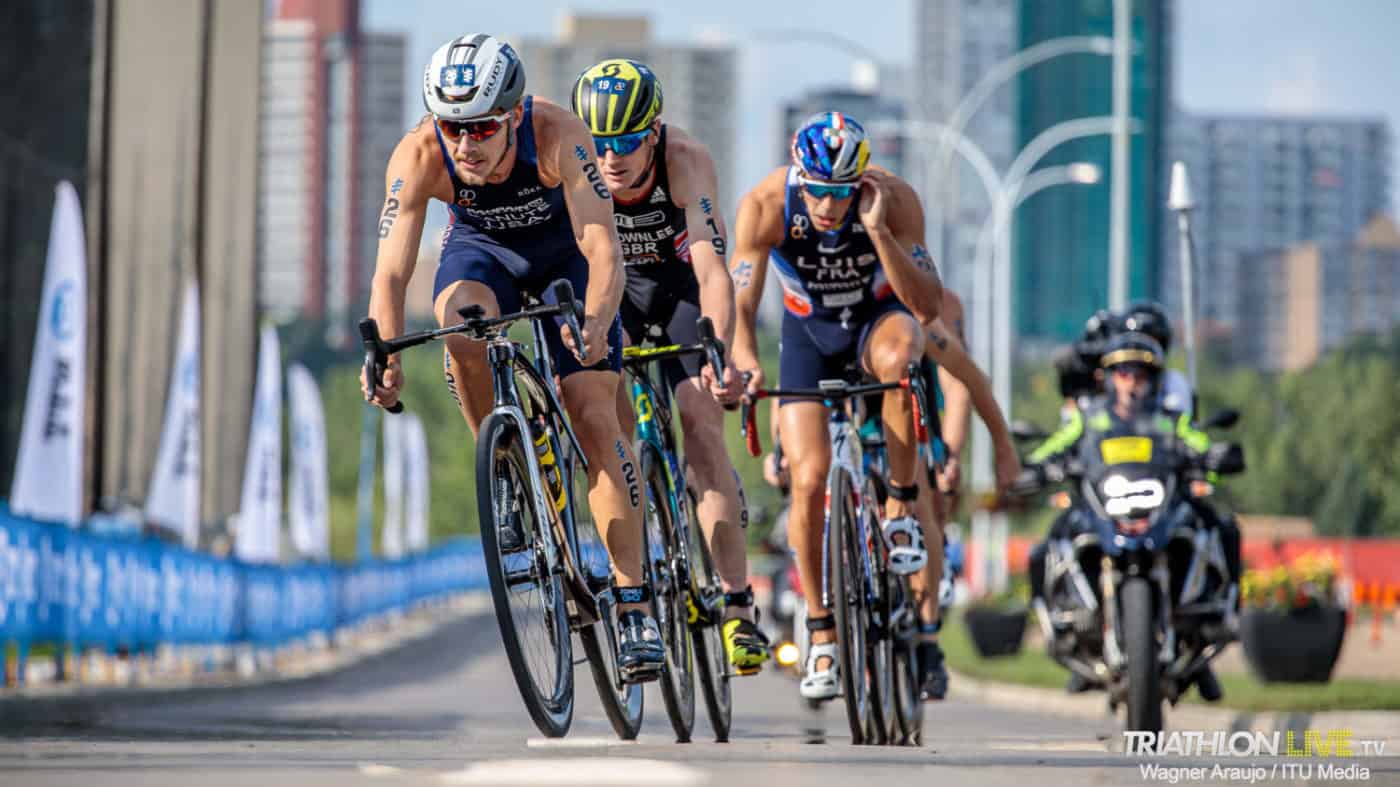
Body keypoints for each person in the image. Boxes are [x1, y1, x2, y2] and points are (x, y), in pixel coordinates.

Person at [360, 34, 663, 681]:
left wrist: (598, 320)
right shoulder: (419, 153)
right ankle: (502, 464)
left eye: (483, 128)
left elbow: (603, 248)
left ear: (517, 114)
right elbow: (389, 275)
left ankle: (632, 597)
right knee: (459, 329)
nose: (466, 144)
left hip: (566, 258)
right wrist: (384, 352)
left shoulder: (559, 134)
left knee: (591, 409)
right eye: (454, 128)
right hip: (482, 255)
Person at [730, 110, 945, 701]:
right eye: (818, 193)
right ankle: (822, 632)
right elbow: (741, 305)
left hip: (878, 323)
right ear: (800, 178)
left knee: (905, 360)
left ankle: (900, 511)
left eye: (841, 194)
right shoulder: (767, 204)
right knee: (809, 478)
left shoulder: (895, 200)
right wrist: (746, 361)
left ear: (861, 182)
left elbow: (926, 306)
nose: (828, 207)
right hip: (810, 336)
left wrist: (877, 233)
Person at [569, 59, 769, 673]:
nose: (611, 159)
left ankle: (736, 607)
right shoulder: (572, 163)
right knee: (608, 422)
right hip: (612, 296)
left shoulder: (686, 159)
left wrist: (718, 348)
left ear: (653, 133)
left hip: (681, 294)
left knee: (701, 422)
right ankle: (635, 573)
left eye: (627, 142)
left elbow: (713, 270)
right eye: (600, 145)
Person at [1023, 331, 1238, 699]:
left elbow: (1199, 445)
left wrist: (1214, 459)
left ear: (1154, 378)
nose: (1131, 379)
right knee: (1051, 541)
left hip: (1161, 508)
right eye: (1122, 371)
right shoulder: (1089, 418)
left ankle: (1210, 634)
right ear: (1107, 378)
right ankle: (1073, 633)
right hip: (1103, 507)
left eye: (1140, 372)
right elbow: (1057, 445)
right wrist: (1034, 467)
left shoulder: (1171, 419)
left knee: (1221, 529)